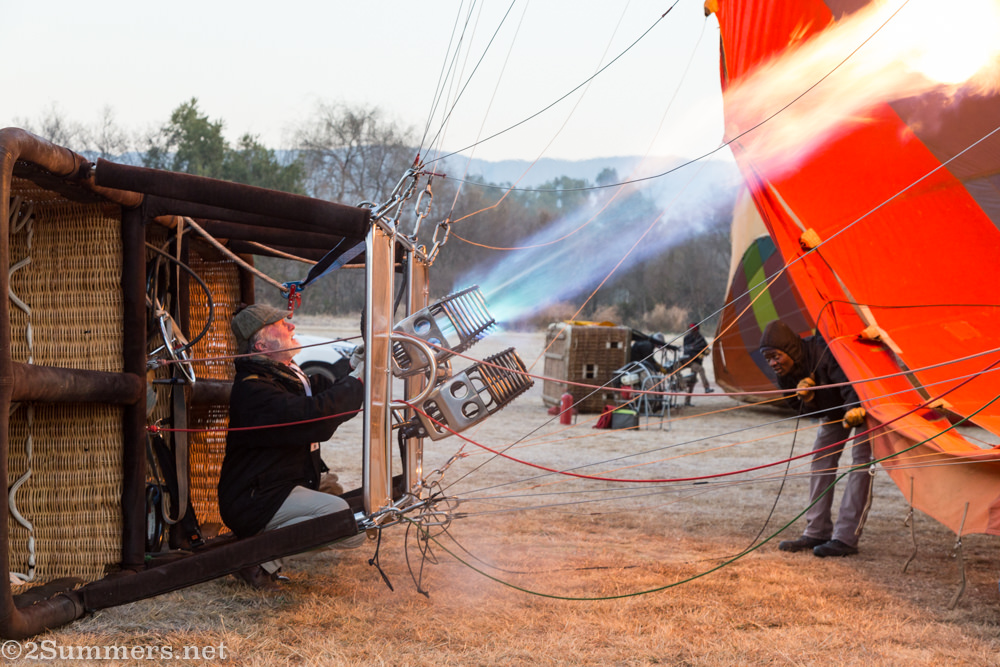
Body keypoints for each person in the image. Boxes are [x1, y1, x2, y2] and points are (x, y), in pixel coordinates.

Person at [218, 303, 365, 589]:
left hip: (278, 485)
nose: (292, 326)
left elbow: (321, 395)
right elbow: (314, 416)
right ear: (261, 345)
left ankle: (263, 549)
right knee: (347, 525)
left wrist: (352, 369)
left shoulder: (282, 375)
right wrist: (358, 380)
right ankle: (258, 560)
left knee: (334, 491)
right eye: (282, 325)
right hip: (256, 499)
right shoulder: (254, 389)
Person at [759, 320, 870, 558]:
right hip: (835, 409)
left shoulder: (822, 351)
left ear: (788, 348)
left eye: (775, 356)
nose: (772, 363)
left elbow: (847, 377)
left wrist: (855, 407)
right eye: (768, 359)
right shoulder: (786, 375)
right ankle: (817, 531)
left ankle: (846, 538)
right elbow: (801, 411)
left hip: (864, 400)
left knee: (861, 462)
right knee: (821, 458)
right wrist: (808, 399)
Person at [682, 323, 715, 405]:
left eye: (694, 330)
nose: (692, 332)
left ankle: (687, 401)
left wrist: (706, 352)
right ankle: (706, 387)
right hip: (688, 360)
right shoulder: (687, 338)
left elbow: (705, 349)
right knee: (701, 369)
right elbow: (688, 351)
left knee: (692, 381)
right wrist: (698, 355)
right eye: (691, 330)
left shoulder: (700, 339)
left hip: (697, 361)